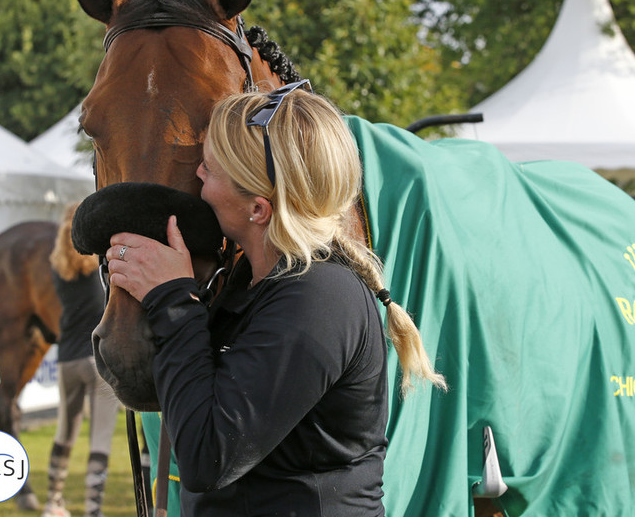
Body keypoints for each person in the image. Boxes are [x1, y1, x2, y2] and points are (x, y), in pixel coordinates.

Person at [105, 80, 447, 516]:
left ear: (258, 209)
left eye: (211, 167)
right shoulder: (253, 283)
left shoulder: (321, 299)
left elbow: (209, 458)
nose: (197, 175)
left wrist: (172, 299)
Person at [42, 203, 120, 517]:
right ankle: (92, 509)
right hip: (96, 360)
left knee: (64, 431)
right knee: (99, 436)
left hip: (66, 360)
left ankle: (53, 503)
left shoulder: (56, 268)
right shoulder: (98, 262)